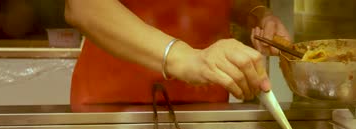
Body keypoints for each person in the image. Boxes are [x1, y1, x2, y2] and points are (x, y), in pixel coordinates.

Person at [64, 0, 291, 110]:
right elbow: (83, 6)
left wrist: (259, 15)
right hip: (116, 104)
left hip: (204, 104)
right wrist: (186, 58)